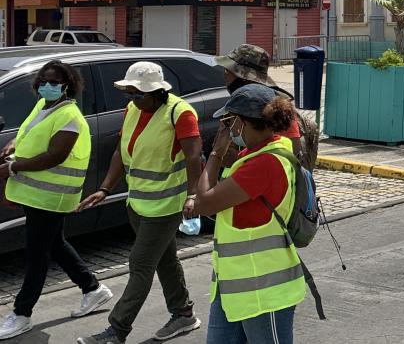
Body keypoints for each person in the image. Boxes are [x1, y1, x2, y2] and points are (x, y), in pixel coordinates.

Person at [76, 62, 203, 344]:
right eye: (129, 94)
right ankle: (183, 314)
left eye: (138, 95)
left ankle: (117, 330)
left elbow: (194, 157)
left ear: (157, 92)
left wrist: (193, 196)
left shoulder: (180, 113)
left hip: (167, 204)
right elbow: (122, 152)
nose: (133, 100)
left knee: (141, 263)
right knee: (166, 260)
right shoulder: (133, 109)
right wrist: (105, 189)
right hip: (138, 203)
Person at [0, 61, 110, 340]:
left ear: (67, 85)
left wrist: (12, 168)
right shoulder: (44, 106)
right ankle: (93, 289)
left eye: (55, 82)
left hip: (51, 196)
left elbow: (55, 156)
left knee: (37, 255)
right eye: (44, 81)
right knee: (55, 244)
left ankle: (22, 314)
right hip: (35, 193)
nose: (48, 86)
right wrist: (12, 145)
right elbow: (28, 133)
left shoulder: (70, 116)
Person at [191, 84, 305, 343]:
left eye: (228, 122)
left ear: (241, 123)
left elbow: (205, 203)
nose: (226, 129)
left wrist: (217, 153)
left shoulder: (265, 163)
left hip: (264, 291)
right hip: (234, 284)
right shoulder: (258, 153)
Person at [216, 45, 313, 168]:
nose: (225, 73)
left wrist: (236, 158)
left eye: (229, 70)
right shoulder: (241, 100)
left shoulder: (276, 104)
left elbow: (290, 155)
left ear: (244, 77)